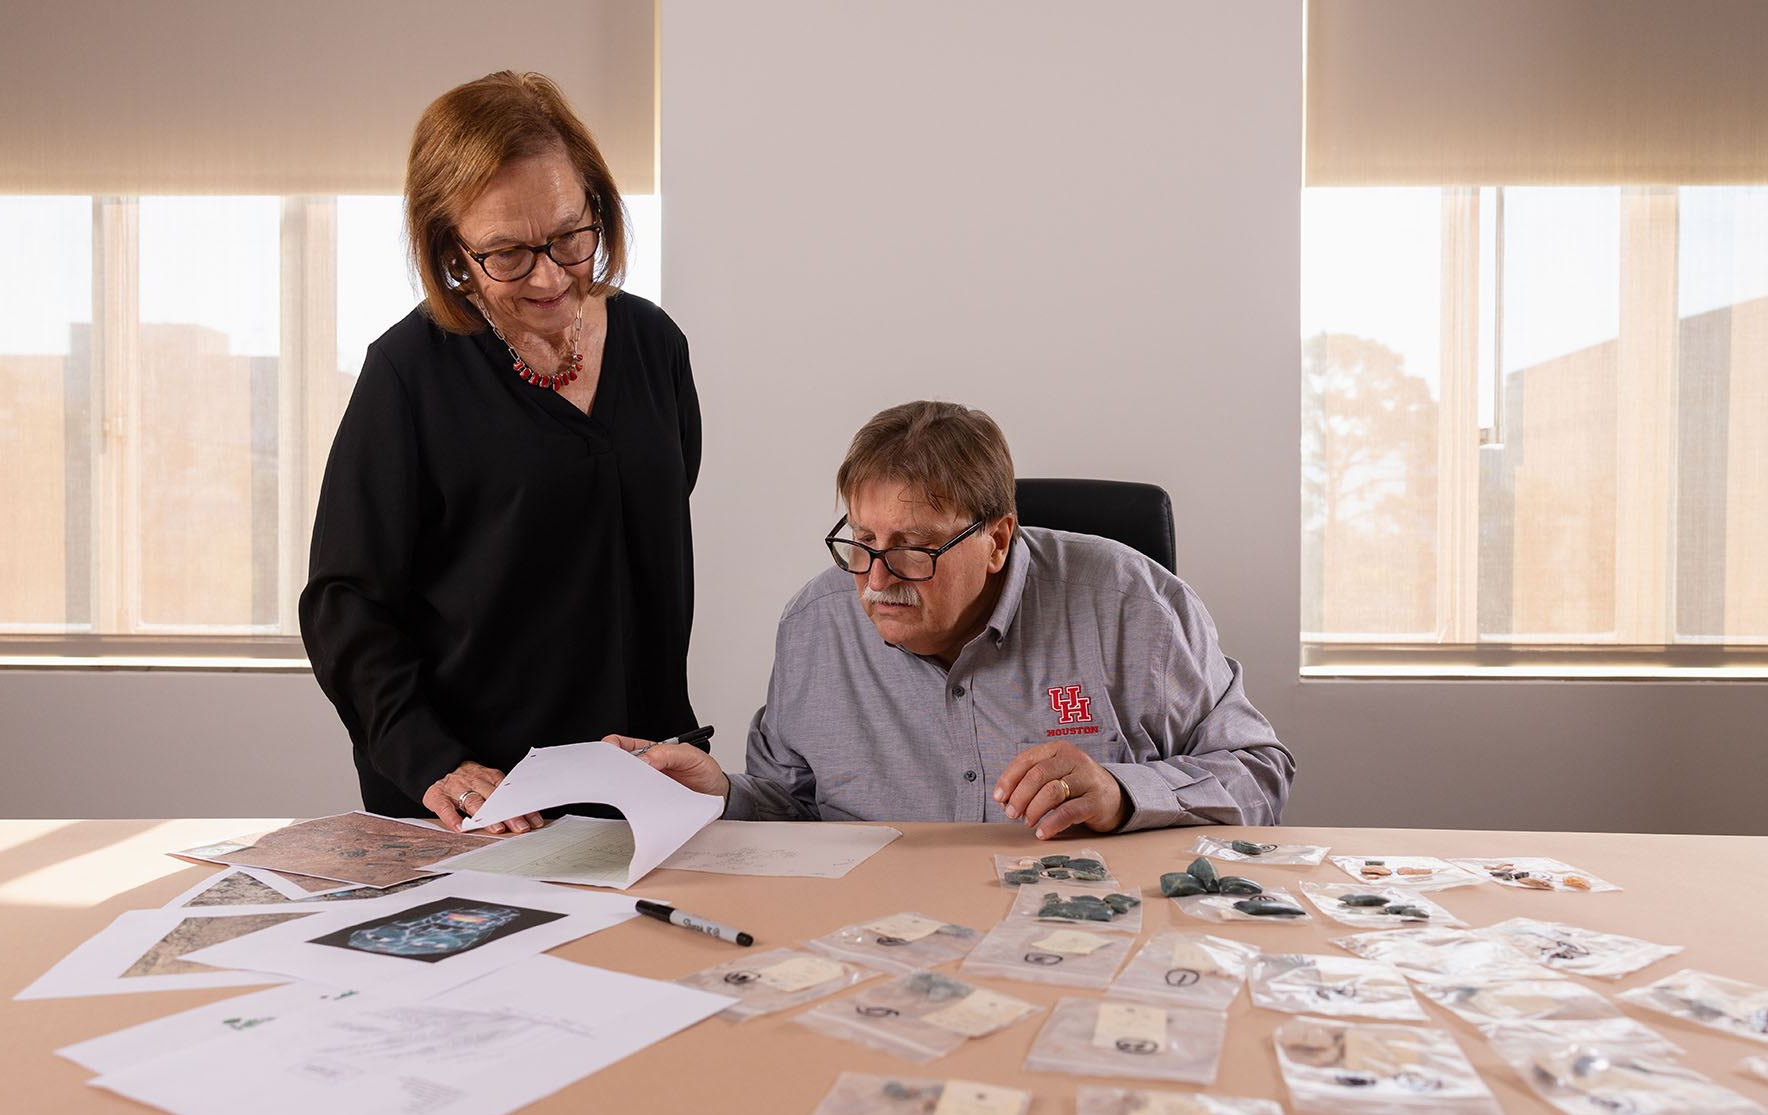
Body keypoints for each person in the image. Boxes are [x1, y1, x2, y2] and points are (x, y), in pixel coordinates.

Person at [301, 72, 701, 835]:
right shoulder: (407, 373)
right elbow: (344, 603)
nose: (551, 275)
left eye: (568, 236)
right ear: (452, 248)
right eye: (509, 254)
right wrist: (430, 759)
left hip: (640, 780)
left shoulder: (656, 345)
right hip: (486, 799)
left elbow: (640, 535)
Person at [623, 401, 1291, 838]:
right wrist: (723, 795)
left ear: (998, 539)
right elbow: (791, 808)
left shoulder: (1128, 603)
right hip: (871, 940)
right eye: (862, 540)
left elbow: (1260, 771)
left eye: (913, 547)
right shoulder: (815, 625)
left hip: (1084, 930)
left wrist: (1121, 791)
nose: (877, 579)